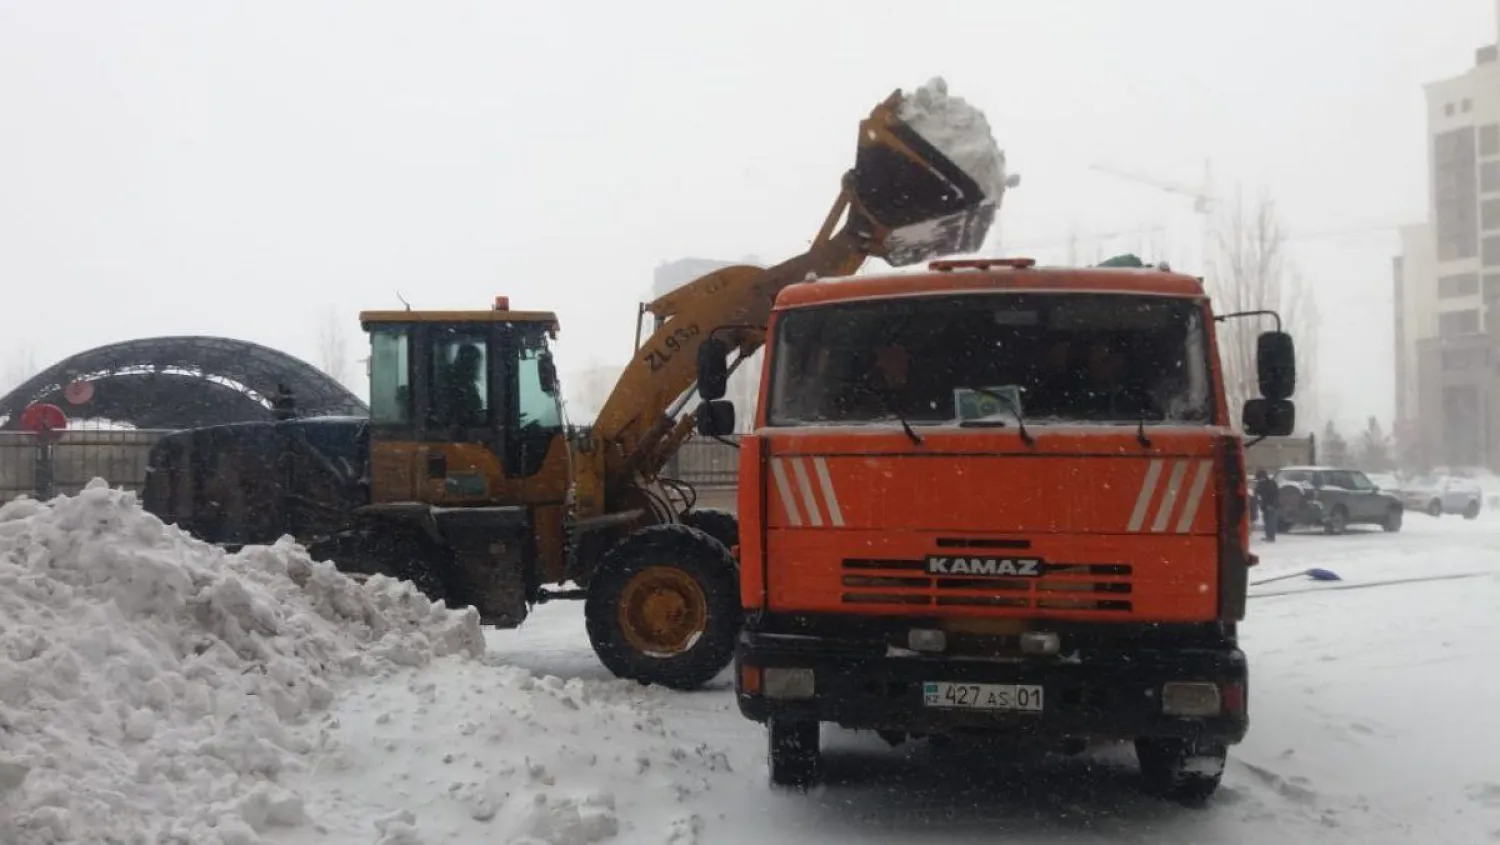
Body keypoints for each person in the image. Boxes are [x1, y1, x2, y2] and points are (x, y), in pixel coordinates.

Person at [1254, 469, 1280, 542]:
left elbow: (1275, 495)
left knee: (1271, 522)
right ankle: (1268, 535)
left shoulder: (1271, 483)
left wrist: (1272, 505)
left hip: (1272, 505)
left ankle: (1271, 537)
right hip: (1265, 506)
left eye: (1259, 478)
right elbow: (1257, 493)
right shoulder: (1260, 484)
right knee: (1266, 521)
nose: (1259, 480)